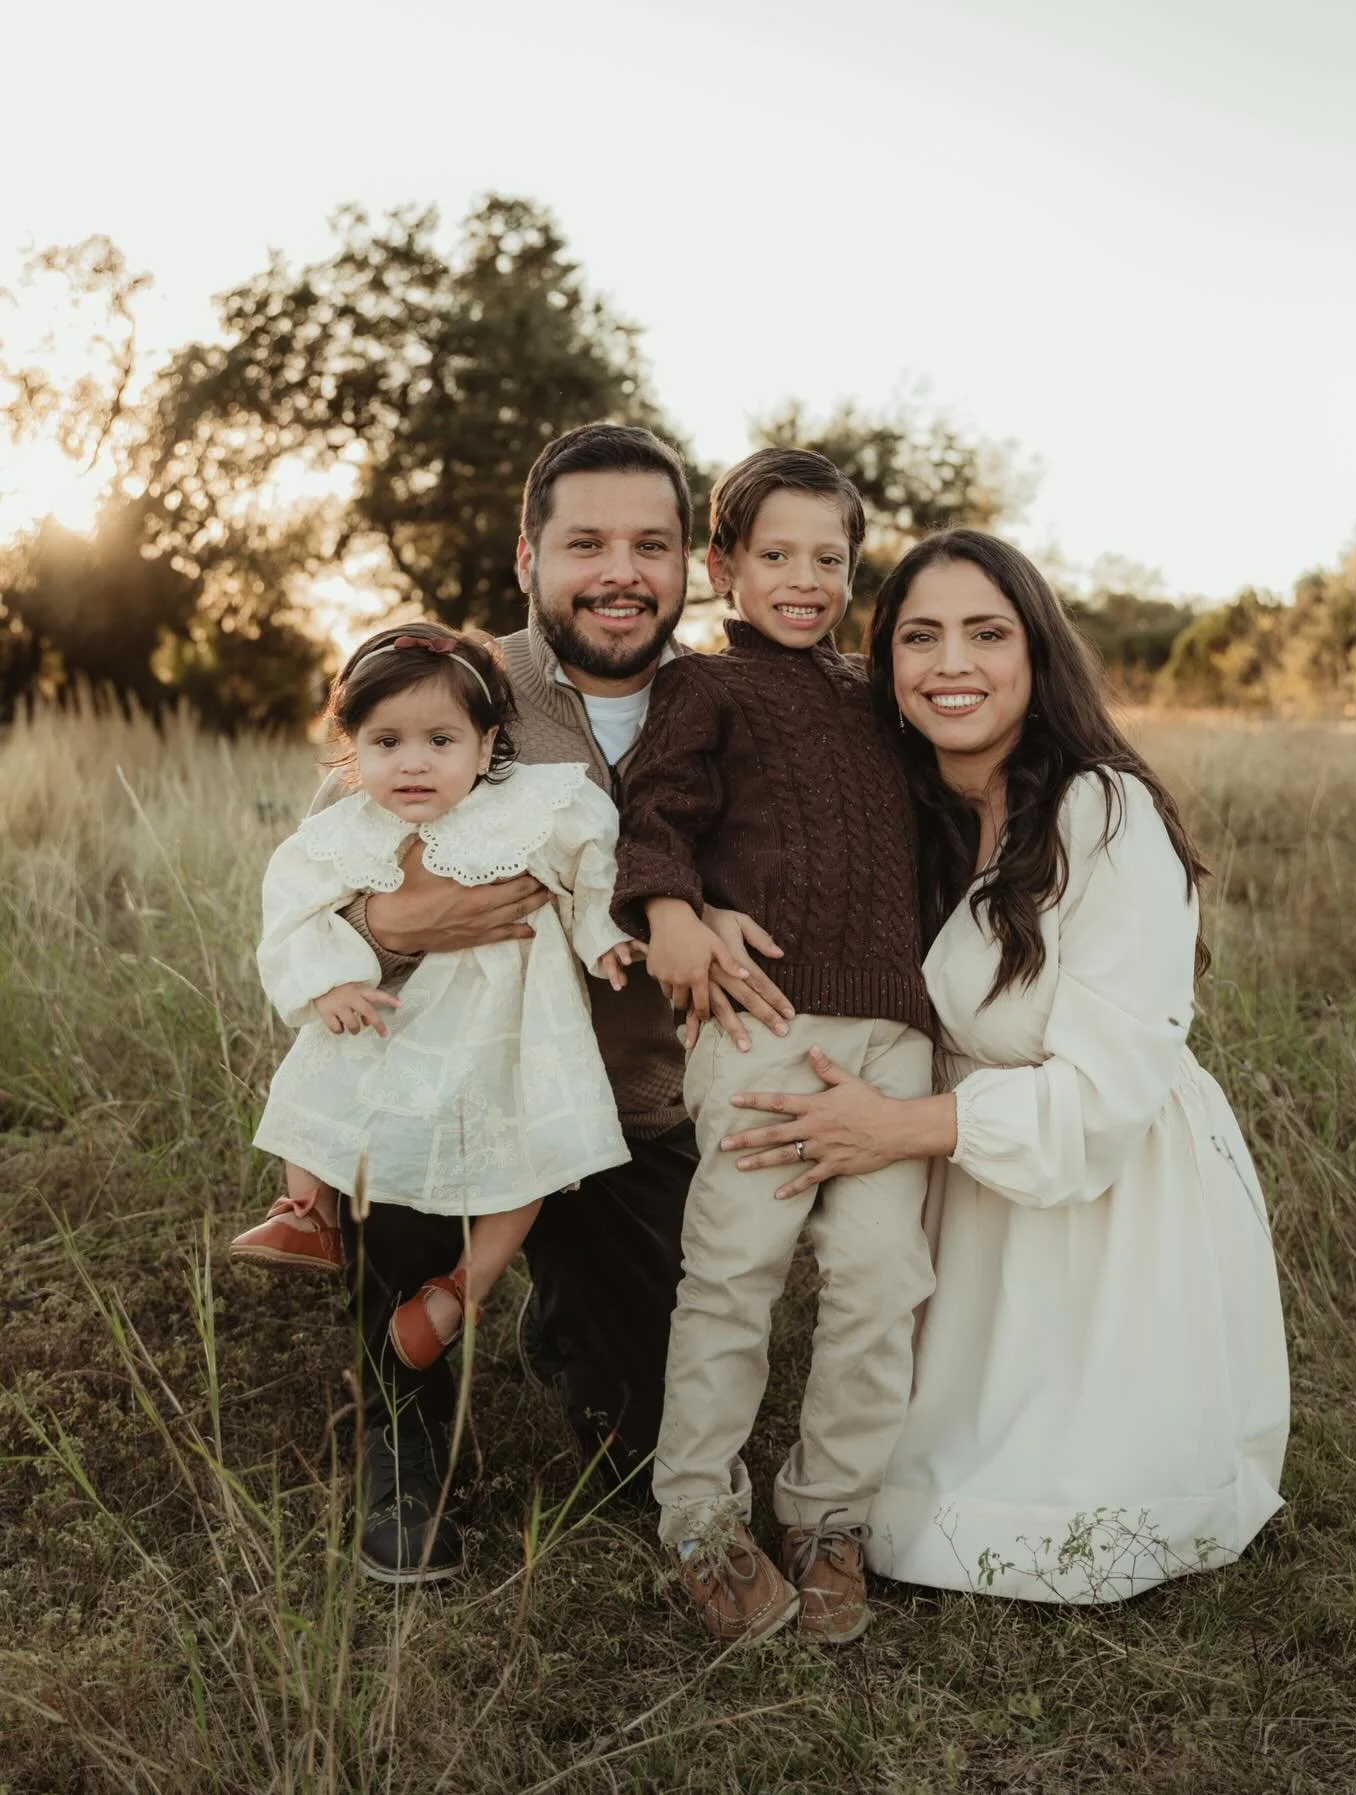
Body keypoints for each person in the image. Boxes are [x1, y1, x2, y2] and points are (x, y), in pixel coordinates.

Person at [717, 529, 1290, 1604]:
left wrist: (898, 1128)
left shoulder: (1102, 812)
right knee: (895, 1502)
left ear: (1038, 654)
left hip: (1109, 1191)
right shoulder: (901, 807)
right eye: (920, 637)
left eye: (987, 633)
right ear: (884, 666)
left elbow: (1111, 1085)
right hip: (964, 1194)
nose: (952, 665)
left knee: (1056, 1520)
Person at [303, 425, 793, 1585]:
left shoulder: (733, 699)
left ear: (692, 566)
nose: (620, 571)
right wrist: (389, 928)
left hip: (637, 1106)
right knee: (403, 1127)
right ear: (529, 556)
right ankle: (403, 1429)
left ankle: (559, 1314)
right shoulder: (460, 684)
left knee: (634, 1450)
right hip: (459, 1078)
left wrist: (712, 908)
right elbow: (327, 871)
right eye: (586, 543)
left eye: (651, 545)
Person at [611, 448, 936, 1646]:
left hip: (894, 1040)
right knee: (736, 1268)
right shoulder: (705, 687)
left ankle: (829, 1513)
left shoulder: (878, 689)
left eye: (831, 559)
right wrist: (673, 910)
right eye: (778, 555)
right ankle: (699, 1513)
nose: (805, 580)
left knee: (881, 1278)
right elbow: (655, 819)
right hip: (762, 1024)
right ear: (724, 565)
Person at [233, 623, 640, 1407]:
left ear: (485, 748)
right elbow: (291, 919)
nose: (413, 761)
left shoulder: (536, 804)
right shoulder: (341, 831)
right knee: (317, 1091)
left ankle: (462, 1290)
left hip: (515, 1031)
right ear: (353, 748)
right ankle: (307, 1210)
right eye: (386, 741)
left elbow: (594, 868)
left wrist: (604, 939)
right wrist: (326, 986)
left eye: (440, 739)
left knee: (534, 1157)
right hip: (397, 1021)